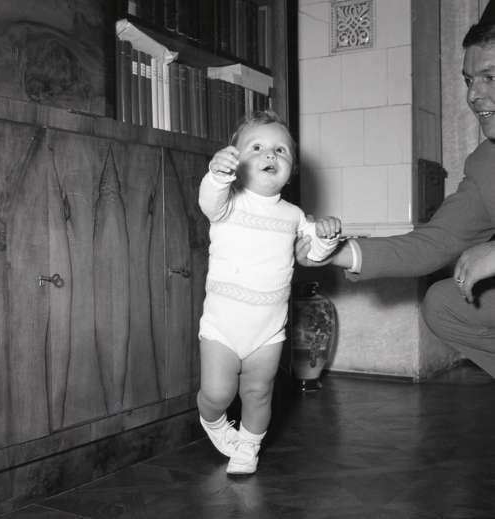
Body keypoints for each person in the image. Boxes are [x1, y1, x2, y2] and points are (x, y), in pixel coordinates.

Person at [296, 1, 495, 377]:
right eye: (469, 80)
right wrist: (336, 252)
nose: (473, 95)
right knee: (443, 303)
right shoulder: (485, 163)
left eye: (490, 77)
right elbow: (433, 243)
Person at [197, 110, 341, 475]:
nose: (270, 155)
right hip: (222, 326)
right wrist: (216, 176)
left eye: (281, 150)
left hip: (268, 329)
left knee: (259, 393)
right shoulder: (228, 202)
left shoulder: (294, 215)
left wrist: (325, 237)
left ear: (292, 168)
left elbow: (312, 254)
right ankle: (213, 420)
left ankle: (249, 446)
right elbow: (208, 201)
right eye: (257, 147)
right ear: (236, 159)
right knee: (217, 393)